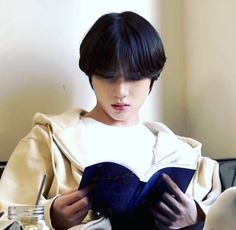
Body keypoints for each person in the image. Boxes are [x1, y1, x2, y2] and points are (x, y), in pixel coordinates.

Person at [0, 11, 221, 230]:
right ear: (91, 75)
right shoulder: (48, 140)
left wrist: (197, 217)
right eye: (108, 76)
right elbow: (5, 217)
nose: (121, 91)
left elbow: (223, 217)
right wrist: (49, 218)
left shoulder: (185, 155)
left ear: (153, 76)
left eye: (134, 76)